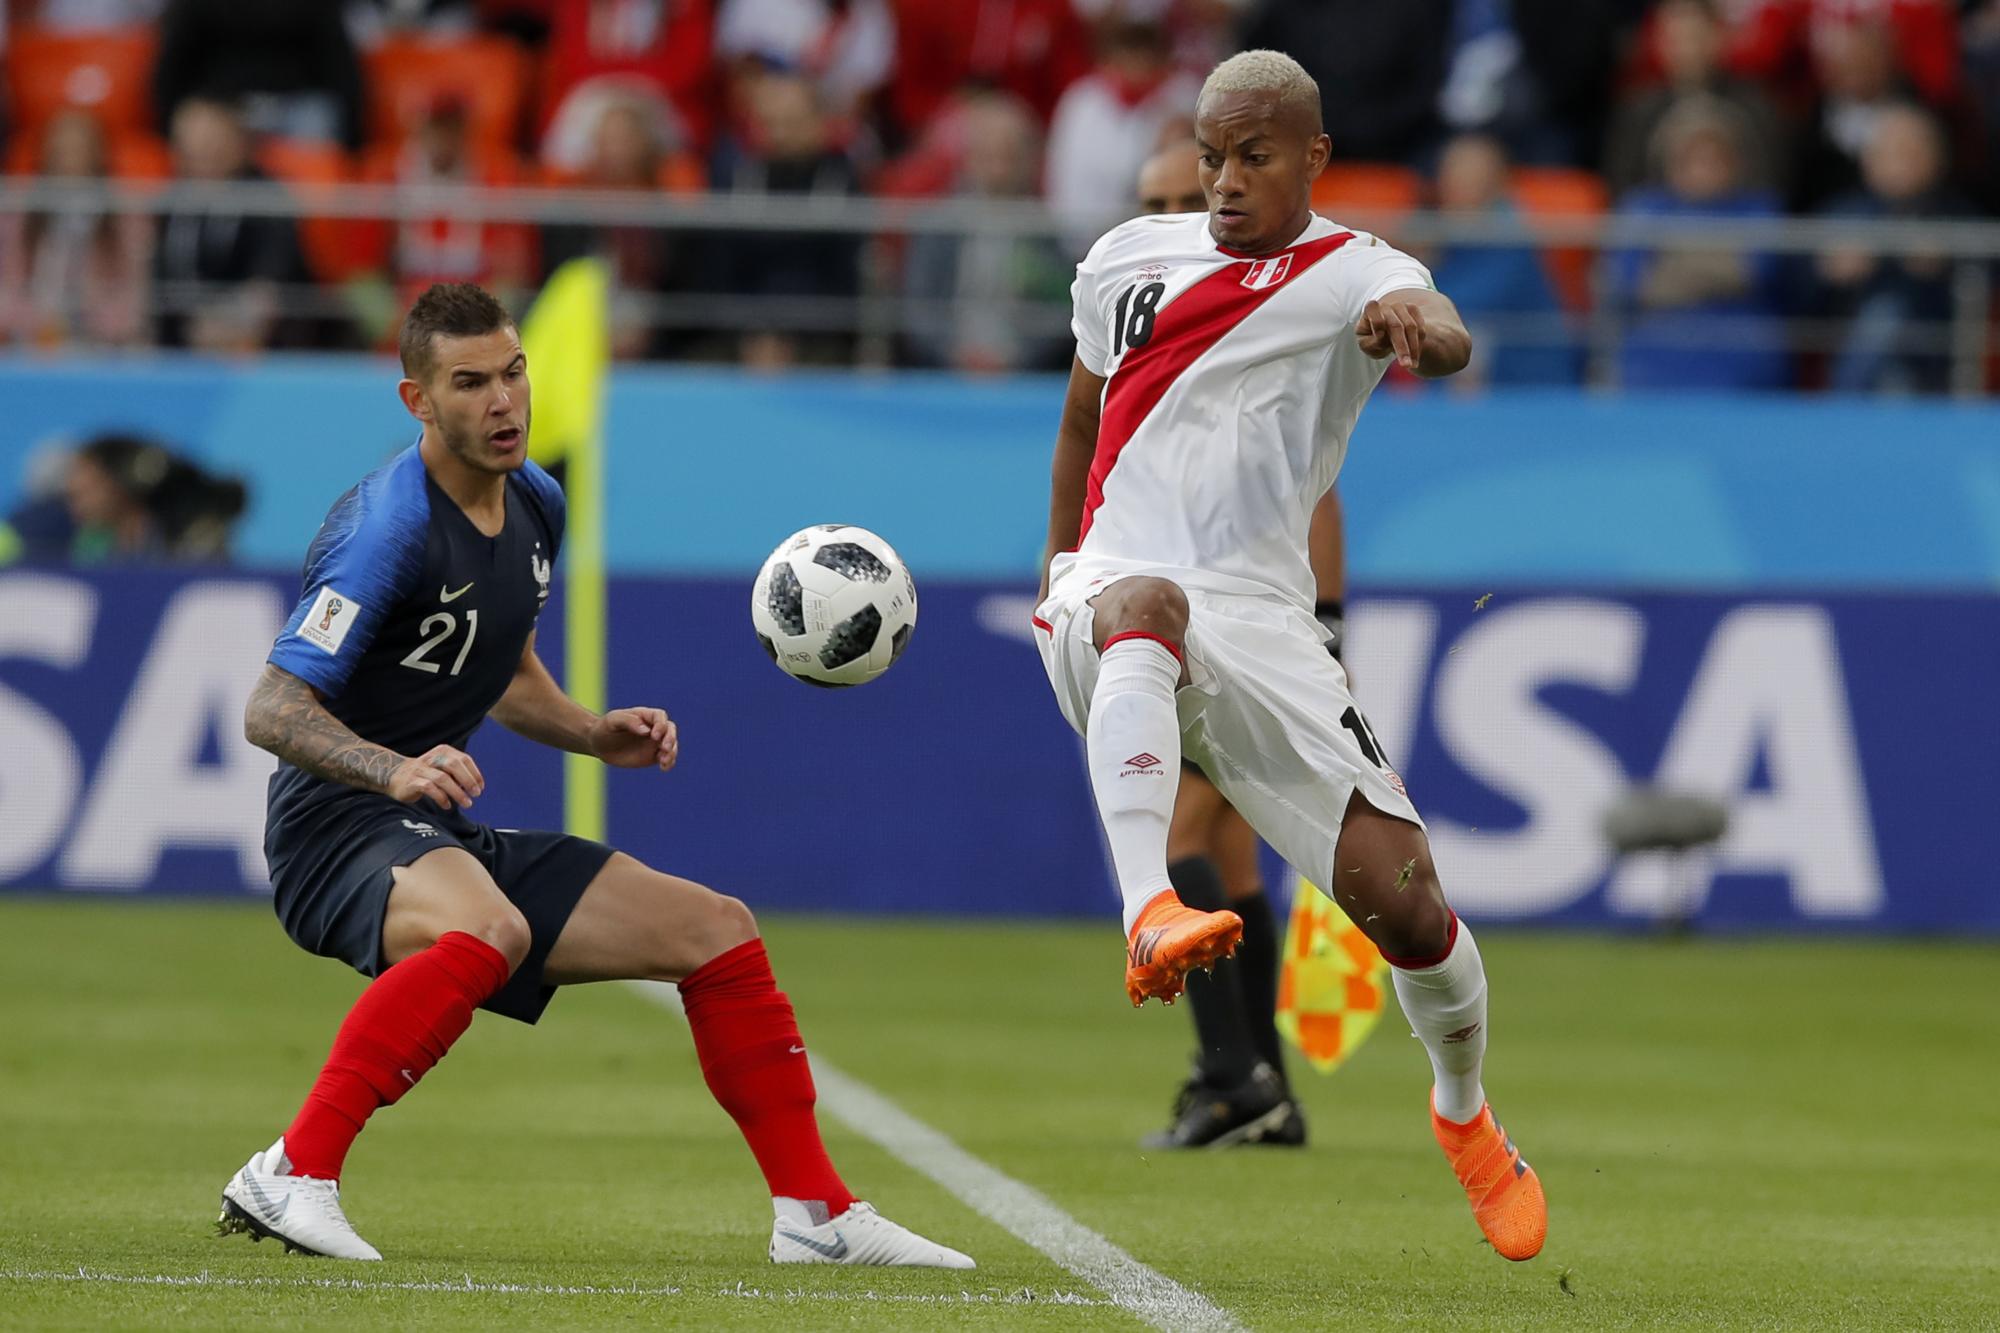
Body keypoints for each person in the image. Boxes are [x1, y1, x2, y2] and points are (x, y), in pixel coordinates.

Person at [215, 283, 973, 1270]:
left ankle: (816, 1216)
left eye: (514, 373)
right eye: (471, 383)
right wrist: (395, 769)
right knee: (486, 929)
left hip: (429, 824)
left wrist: (586, 730)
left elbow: (498, 662)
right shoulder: (384, 529)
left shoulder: (535, 498)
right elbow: (269, 708)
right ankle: (291, 1174)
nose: (504, 402)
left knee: (716, 932)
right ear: (417, 401)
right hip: (336, 826)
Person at [1031, 50, 1546, 1261]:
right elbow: (1076, 419)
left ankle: (1463, 1114)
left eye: (1250, 157)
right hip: (1116, 592)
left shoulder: (1362, 273)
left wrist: (1419, 327)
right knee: (1143, 601)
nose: (1220, 182)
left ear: (1311, 156)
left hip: (1265, 620)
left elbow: (1451, 335)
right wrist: (1057, 566)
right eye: (1209, 158)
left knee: (1410, 909)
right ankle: (1146, 907)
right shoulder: (1123, 261)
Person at [1126, 138, 1352, 1150]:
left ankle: (1231, 1076)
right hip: (1169, 628)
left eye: (1188, 195)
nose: (1175, 213)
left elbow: (1313, 486)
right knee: (1230, 859)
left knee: (1171, 844)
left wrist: (1323, 629)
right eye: (1154, 199)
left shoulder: (1252, 324)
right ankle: (1262, 1087)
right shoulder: (1136, 318)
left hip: (1246, 633)